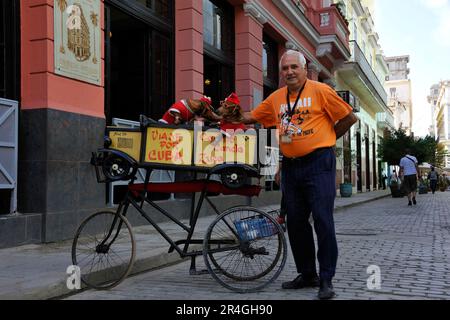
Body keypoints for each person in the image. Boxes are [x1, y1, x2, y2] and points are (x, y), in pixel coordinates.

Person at [238, 50, 358, 299]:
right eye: (285, 69)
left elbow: (349, 117)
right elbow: (252, 117)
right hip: (291, 166)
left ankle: (326, 278)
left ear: (304, 69)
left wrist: (327, 139)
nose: (289, 72)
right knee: (295, 223)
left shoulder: (320, 90)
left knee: (323, 220)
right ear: (281, 73)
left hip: (318, 164)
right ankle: (307, 274)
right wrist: (225, 114)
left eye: (294, 67)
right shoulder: (276, 98)